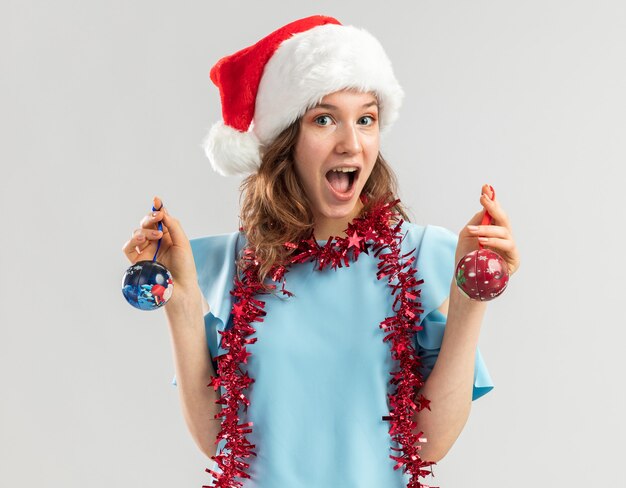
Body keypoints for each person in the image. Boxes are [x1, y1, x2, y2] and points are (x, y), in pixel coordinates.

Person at [122, 15, 520, 488]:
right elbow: (219, 441)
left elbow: (428, 445)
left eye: (366, 119)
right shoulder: (236, 265)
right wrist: (183, 303)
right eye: (324, 119)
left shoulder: (421, 259)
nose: (350, 142)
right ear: (287, 140)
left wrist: (470, 298)